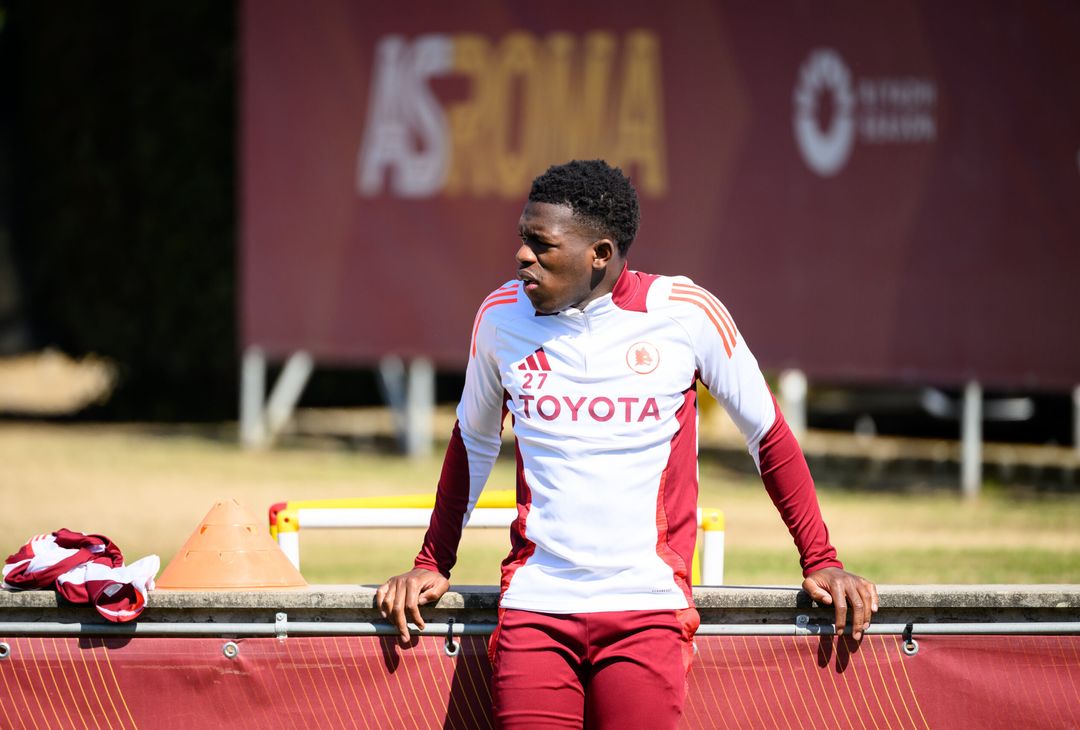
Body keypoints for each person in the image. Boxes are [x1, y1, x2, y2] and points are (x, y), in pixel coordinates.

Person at [377, 159, 878, 729]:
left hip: (647, 607)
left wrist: (822, 560)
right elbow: (472, 440)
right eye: (523, 238)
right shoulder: (500, 316)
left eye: (542, 244)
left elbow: (768, 435)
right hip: (537, 608)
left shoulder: (687, 312)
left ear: (601, 253)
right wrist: (432, 561)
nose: (522, 256)